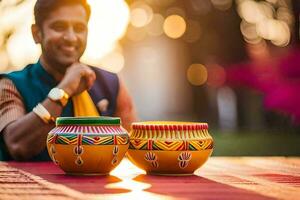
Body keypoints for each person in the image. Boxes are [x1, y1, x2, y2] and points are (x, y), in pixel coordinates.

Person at [0, 0, 136, 161]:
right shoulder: (11, 85)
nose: (71, 38)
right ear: (36, 34)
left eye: (79, 29)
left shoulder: (111, 84)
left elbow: (132, 148)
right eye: (59, 27)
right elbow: (17, 145)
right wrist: (63, 91)